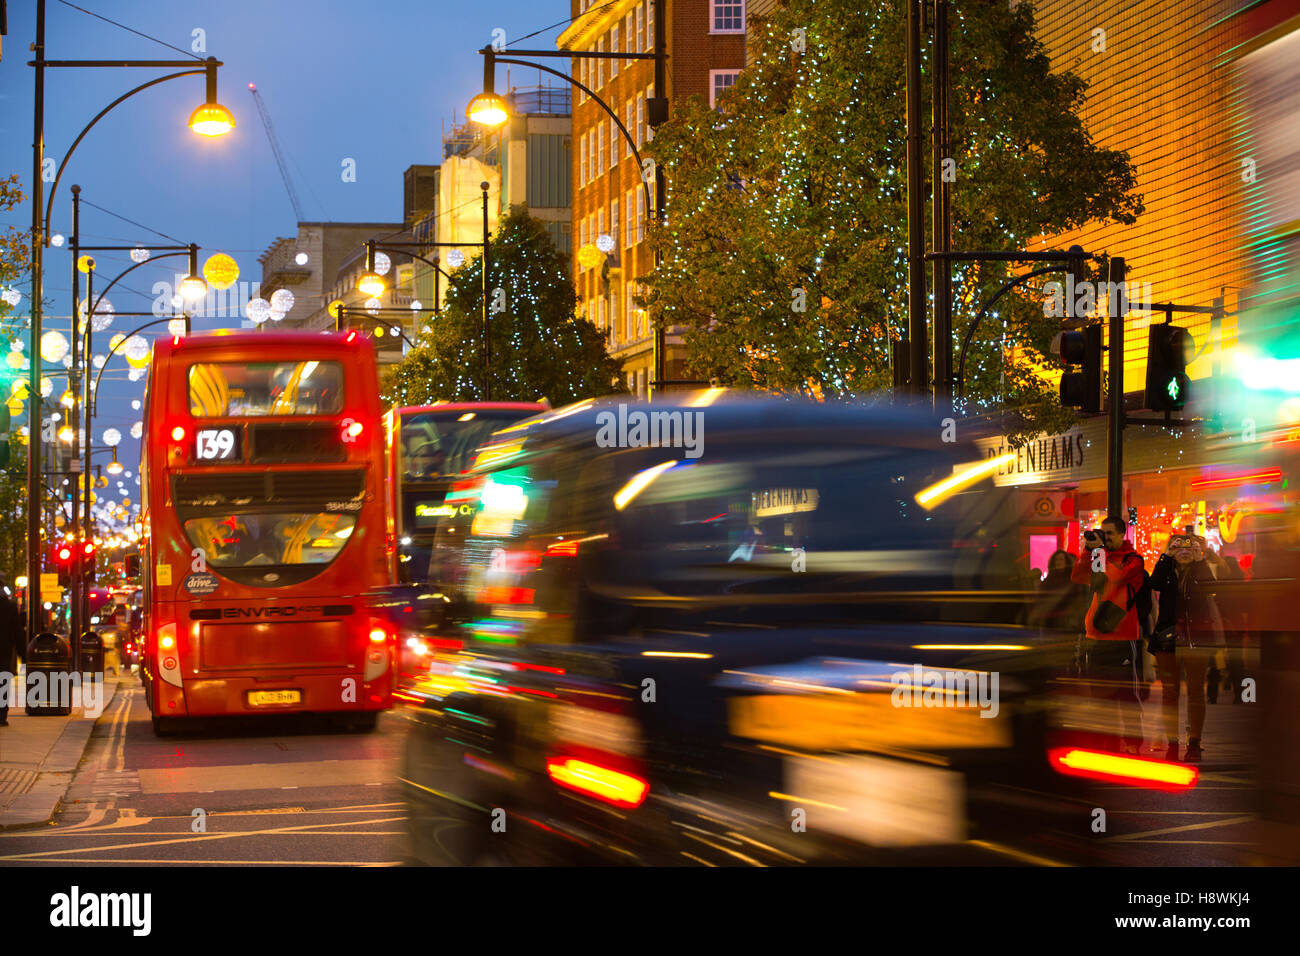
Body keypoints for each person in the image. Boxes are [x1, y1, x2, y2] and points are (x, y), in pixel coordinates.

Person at [1071, 516, 1147, 754]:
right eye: (1103, 533)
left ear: (1123, 533)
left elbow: (1115, 579)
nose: (1106, 537)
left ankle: (1133, 742)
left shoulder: (1134, 560)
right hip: (1096, 637)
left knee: (1125, 693)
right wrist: (1089, 551)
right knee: (1099, 695)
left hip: (1122, 636)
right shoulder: (1099, 556)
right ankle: (1108, 742)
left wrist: (1100, 552)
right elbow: (1080, 578)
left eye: (1110, 533)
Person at [1149, 534, 1224, 762]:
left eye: (1189, 548)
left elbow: (1212, 589)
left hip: (1195, 638)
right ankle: (1173, 744)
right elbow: (1154, 583)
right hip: (1167, 639)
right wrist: (1165, 556)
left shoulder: (1200, 570)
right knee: (1170, 694)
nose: (1183, 551)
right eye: (1177, 547)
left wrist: (1200, 559)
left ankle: (1194, 744)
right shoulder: (1167, 571)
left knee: (1195, 693)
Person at [0, 575, 26, 727]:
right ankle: (1, 716)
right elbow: (17, 632)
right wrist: (23, 654)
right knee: (3, 684)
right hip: (3, 652)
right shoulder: (9, 606)